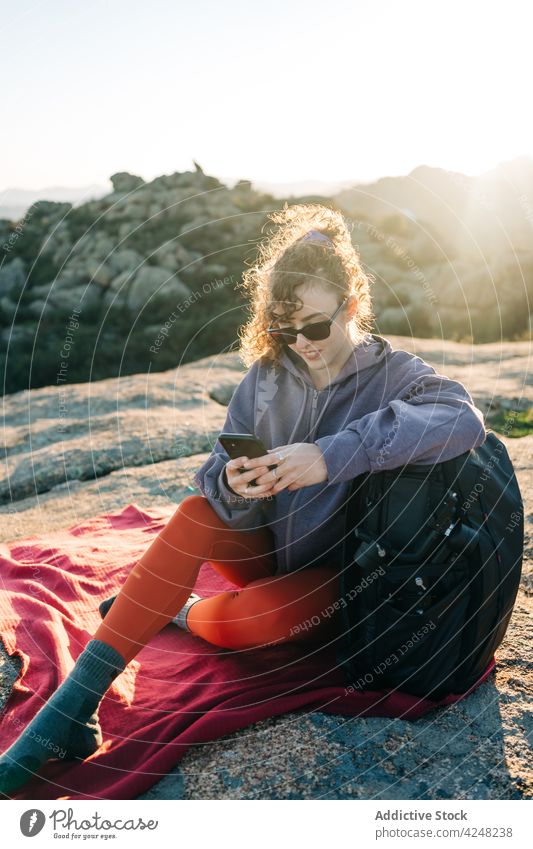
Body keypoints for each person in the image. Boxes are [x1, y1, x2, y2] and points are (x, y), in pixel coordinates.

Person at [0, 203, 487, 795]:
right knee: (196, 512)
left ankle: (176, 614)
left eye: (315, 325)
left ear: (352, 306)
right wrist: (233, 483)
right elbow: (213, 474)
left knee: (253, 621)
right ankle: (72, 713)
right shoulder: (267, 376)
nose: (302, 343)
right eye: (285, 330)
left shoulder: (398, 374)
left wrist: (331, 455)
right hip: (268, 543)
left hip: (341, 576)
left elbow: (462, 420)